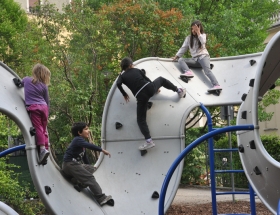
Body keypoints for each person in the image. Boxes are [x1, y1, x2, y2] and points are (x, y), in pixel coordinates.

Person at [117, 57, 186, 151]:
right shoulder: (136, 70)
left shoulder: (122, 76)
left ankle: (149, 141)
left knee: (140, 119)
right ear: (130, 65)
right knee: (161, 79)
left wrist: (124, 94)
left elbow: (118, 83)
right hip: (149, 88)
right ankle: (179, 90)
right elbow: (146, 78)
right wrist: (155, 88)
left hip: (140, 96)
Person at [62, 122, 112, 206]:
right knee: (90, 178)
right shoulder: (77, 139)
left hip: (72, 166)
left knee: (92, 169)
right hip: (70, 165)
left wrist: (89, 167)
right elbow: (89, 145)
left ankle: (80, 184)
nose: (88, 131)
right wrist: (102, 150)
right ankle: (101, 198)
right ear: (79, 132)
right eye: (86, 129)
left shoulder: (81, 145)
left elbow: (85, 158)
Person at [172, 20, 222, 91]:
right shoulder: (189, 38)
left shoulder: (203, 36)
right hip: (195, 60)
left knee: (207, 71)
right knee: (181, 60)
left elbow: (203, 42)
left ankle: (216, 85)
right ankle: (188, 72)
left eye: (195, 29)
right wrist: (176, 56)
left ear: (199, 28)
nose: (193, 31)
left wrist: (198, 33)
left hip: (203, 57)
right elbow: (183, 48)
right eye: (192, 29)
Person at [22, 63, 51, 165]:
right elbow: (47, 101)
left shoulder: (26, 80)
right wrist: (48, 113)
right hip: (44, 107)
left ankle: (42, 150)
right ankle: (45, 149)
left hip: (34, 107)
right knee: (43, 130)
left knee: (38, 128)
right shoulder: (44, 86)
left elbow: (19, 83)